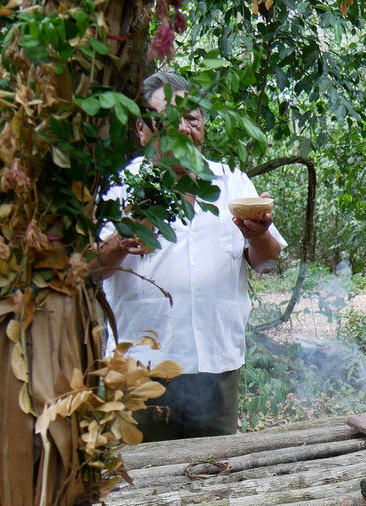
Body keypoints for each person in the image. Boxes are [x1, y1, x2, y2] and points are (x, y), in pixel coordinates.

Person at [94, 71, 286, 441]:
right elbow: (87, 271)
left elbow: (268, 262)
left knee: (214, 470)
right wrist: (119, 240)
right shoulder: (121, 188)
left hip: (216, 366)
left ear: (203, 127)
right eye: (166, 120)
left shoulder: (232, 183)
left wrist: (259, 235)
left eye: (191, 118)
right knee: (142, 472)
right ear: (142, 130)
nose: (182, 129)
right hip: (139, 370)